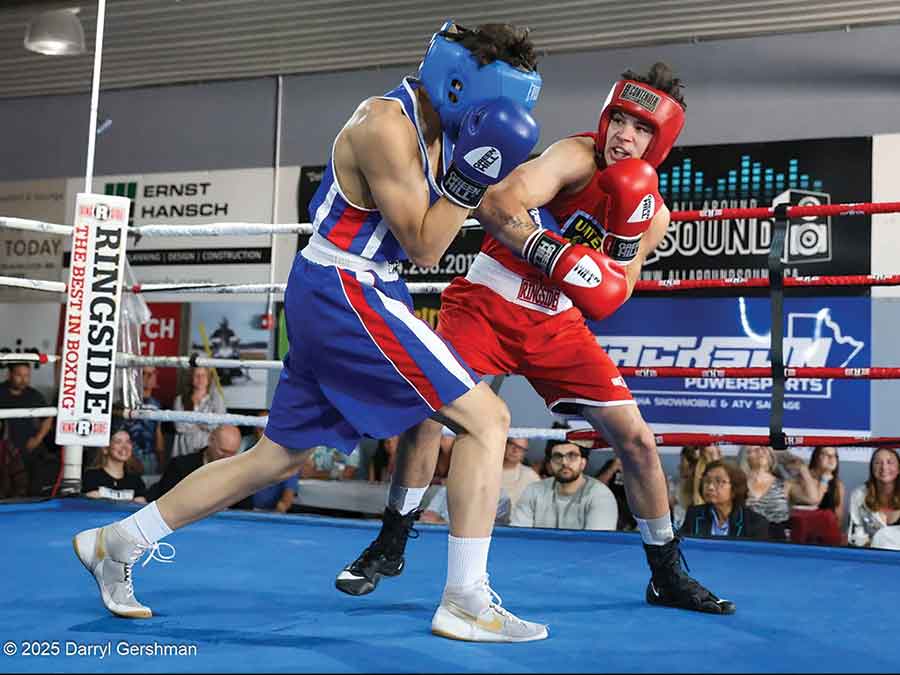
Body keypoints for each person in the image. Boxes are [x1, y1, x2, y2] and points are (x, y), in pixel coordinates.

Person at [74, 20, 547, 642]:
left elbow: (471, 209)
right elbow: (429, 245)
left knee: (277, 456)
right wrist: (475, 171)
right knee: (488, 420)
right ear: (459, 85)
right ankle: (464, 599)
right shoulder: (386, 127)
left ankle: (118, 541)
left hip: (355, 288)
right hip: (347, 291)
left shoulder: (444, 128)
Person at [337, 62, 735, 615]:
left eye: (640, 128)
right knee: (428, 415)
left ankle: (666, 573)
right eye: (618, 120)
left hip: (557, 324)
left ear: (659, 140)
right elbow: (498, 204)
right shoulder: (574, 157)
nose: (624, 134)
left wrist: (595, 274)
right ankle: (391, 541)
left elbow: (616, 293)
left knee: (639, 442)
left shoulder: (654, 213)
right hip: (487, 303)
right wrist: (559, 255)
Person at [511, 441, 617, 530]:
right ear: (550, 463)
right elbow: (519, 536)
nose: (564, 462)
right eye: (557, 457)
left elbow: (595, 545)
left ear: (583, 463)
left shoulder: (601, 496)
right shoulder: (533, 491)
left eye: (572, 456)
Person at [739, 445, 819, 540]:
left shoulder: (785, 485)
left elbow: (813, 499)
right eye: (754, 449)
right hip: (745, 540)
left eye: (764, 448)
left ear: (771, 456)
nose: (760, 451)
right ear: (746, 457)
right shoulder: (739, 484)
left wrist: (803, 469)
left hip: (777, 541)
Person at [679, 460, 768, 540]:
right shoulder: (694, 514)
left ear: (734, 488)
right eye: (707, 481)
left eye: (718, 481)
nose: (710, 487)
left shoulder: (755, 523)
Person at [848, 448, 900, 548]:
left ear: (898, 469)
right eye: (877, 463)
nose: (884, 467)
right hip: (871, 557)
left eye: (890, 462)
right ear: (872, 469)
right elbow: (853, 538)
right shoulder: (859, 495)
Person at [118, 366, 167, 474]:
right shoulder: (126, 403)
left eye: (152, 373)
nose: (149, 377)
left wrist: (162, 459)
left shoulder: (156, 404)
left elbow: (158, 433)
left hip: (150, 458)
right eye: (144, 373)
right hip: (128, 455)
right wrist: (129, 458)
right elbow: (117, 431)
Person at [171, 366, 227, 457]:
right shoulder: (180, 400)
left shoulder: (216, 399)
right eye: (197, 375)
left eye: (203, 375)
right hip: (184, 449)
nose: (200, 379)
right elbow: (179, 427)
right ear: (191, 378)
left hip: (207, 449)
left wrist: (191, 422)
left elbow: (218, 426)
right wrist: (205, 423)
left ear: (208, 378)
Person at [82, 430, 148, 504]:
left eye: (128, 442)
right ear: (105, 449)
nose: (125, 446)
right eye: (118, 442)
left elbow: (141, 506)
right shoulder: (91, 476)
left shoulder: (136, 480)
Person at [501, 437, 539, 514]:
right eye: (512, 444)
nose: (515, 450)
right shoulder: (486, 469)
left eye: (521, 448)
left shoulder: (531, 476)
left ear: (524, 453)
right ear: (505, 444)